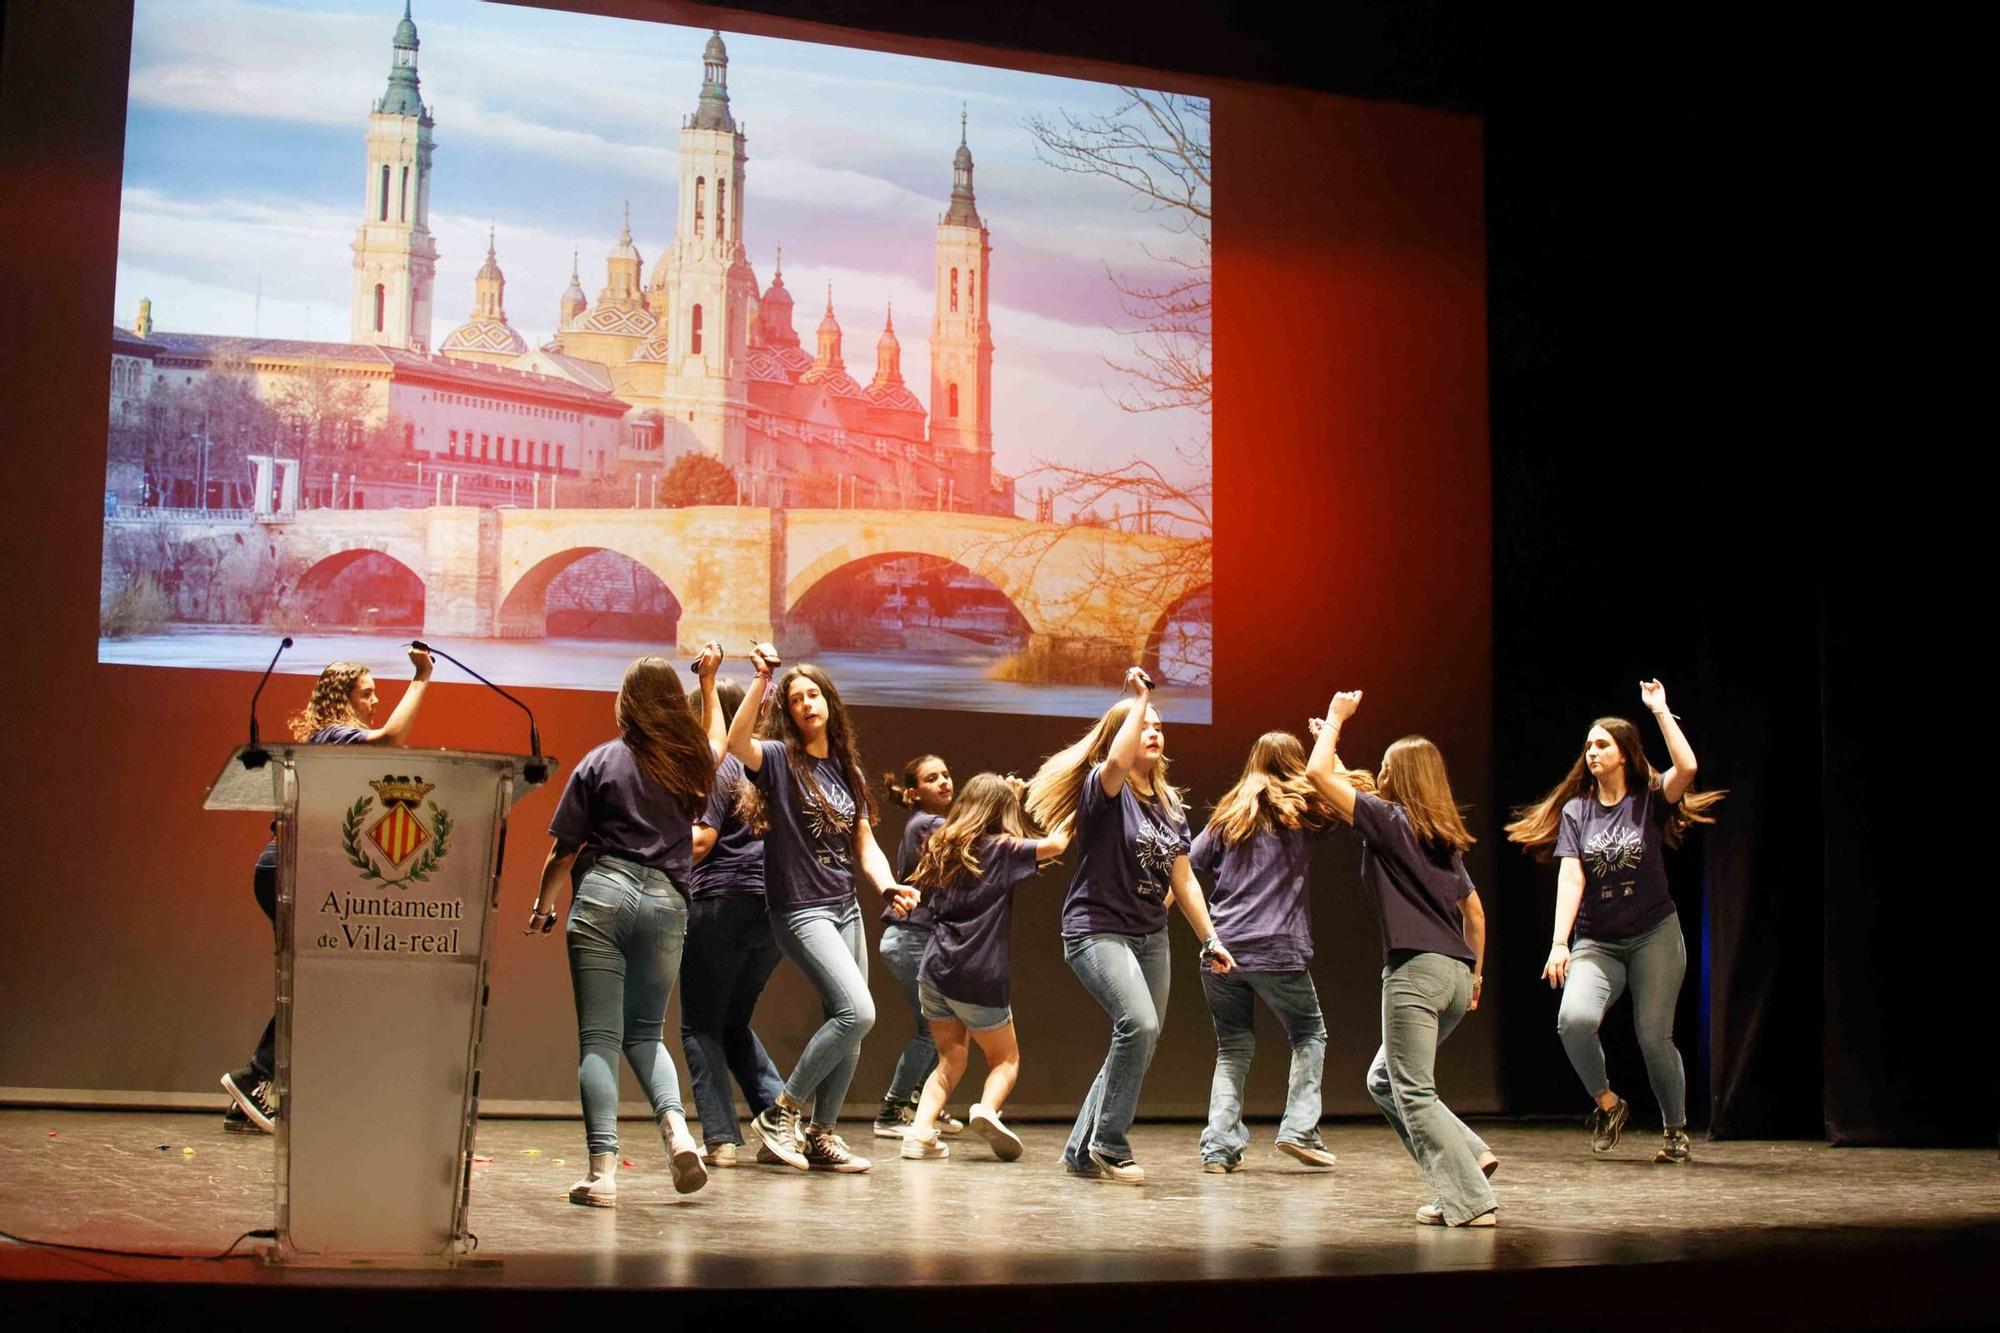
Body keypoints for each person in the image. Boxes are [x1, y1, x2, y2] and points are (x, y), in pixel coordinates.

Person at [525, 647, 725, 1206]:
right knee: (646, 1033)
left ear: (627, 703)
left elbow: (563, 851)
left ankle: (604, 1174)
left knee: (600, 1040)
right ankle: (679, 1132)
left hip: (605, 894)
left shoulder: (600, 761)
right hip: (668, 902)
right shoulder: (691, 767)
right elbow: (718, 739)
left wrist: (542, 908)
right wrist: (708, 684)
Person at [1025, 667, 1236, 1185]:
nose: (1154, 730)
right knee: (1137, 1027)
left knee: (1139, 1038)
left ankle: (1080, 1151)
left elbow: (1184, 882)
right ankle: (1110, 1143)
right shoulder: (1105, 790)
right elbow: (1118, 758)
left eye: (1160, 725)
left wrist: (1210, 938)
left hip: (1150, 935)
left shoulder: (1169, 806)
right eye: (1145, 724)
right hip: (1096, 929)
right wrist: (1139, 698)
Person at [1504, 680, 1725, 1164]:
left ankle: (1675, 1132)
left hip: (1654, 935)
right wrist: (1560, 943)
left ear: (1624, 753)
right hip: (1598, 942)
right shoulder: (1577, 811)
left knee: (1653, 1037)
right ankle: (1609, 1104)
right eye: (1587, 745)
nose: (1591, 752)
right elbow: (1570, 878)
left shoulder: (1648, 798)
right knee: (1574, 1021)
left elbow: (1687, 768)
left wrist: (1661, 711)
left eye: (1601, 744)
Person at [1306, 690, 1499, 1226]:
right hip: (1457, 976)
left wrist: (1338, 721)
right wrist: (1476, 978)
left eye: (1387, 768)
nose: (1380, 776)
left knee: (1413, 1090)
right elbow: (1476, 913)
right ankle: (1468, 1158)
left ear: (1401, 779)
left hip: (1414, 974)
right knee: (1386, 1080)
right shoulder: (1441, 838)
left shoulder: (1389, 821)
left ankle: (1470, 1201)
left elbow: (1321, 775)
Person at [221, 648, 432, 1134]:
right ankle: (256, 1076)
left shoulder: (336, 741)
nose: (376, 701)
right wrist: (420, 679)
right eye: (367, 693)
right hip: (288, 869)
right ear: (341, 700)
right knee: (313, 985)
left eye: (378, 692)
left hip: (293, 868)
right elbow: (392, 738)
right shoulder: (333, 735)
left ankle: (253, 1101)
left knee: (312, 983)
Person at [727, 647, 917, 1174]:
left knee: (849, 1022)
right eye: (795, 699)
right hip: (800, 909)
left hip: (844, 907)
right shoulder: (781, 761)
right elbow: (736, 742)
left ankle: (821, 1134)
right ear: (786, 712)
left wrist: (886, 886)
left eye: (813, 694)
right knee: (858, 1011)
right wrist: (763, 679)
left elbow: (865, 844)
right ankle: (781, 1113)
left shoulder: (846, 770)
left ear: (829, 703)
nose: (806, 704)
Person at [1187, 731, 1342, 1173]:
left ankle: (1218, 1148)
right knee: (1310, 1034)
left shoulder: (1226, 817)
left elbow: (1188, 867)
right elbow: (1344, 788)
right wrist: (1327, 741)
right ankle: (1299, 1129)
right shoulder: (1306, 815)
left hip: (1223, 948)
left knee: (1232, 1047)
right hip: (1278, 948)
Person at [899, 774, 1071, 1163]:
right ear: (1000, 811)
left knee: (950, 1056)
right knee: (1005, 1060)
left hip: (935, 969)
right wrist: (1076, 801)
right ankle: (987, 1109)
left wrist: (1007, 796)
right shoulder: (1003, 849)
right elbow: (1056, 845)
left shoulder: (941, 844)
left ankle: (920, 1132)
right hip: (979, 973)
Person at [678, 677, 787, 1168]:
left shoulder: (716, 767)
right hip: (774, 913)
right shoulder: (769, 768)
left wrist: (648, 844)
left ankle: (720, 1139)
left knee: (700, 1025)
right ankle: (784, 1124)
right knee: (733, 1022)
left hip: (721, 902)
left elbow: (701, 840)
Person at [871, 754, 966, 1139]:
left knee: (943, 1027)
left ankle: (925, 1102)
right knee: (934, 1029)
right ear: (914, 792)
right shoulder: (930, 824)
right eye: (932, 778)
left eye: (946, 774)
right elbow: (973, 841)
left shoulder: (929, 823)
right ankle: (894, 1110)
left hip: (913, 938)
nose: (944, 781)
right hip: (910, 938)